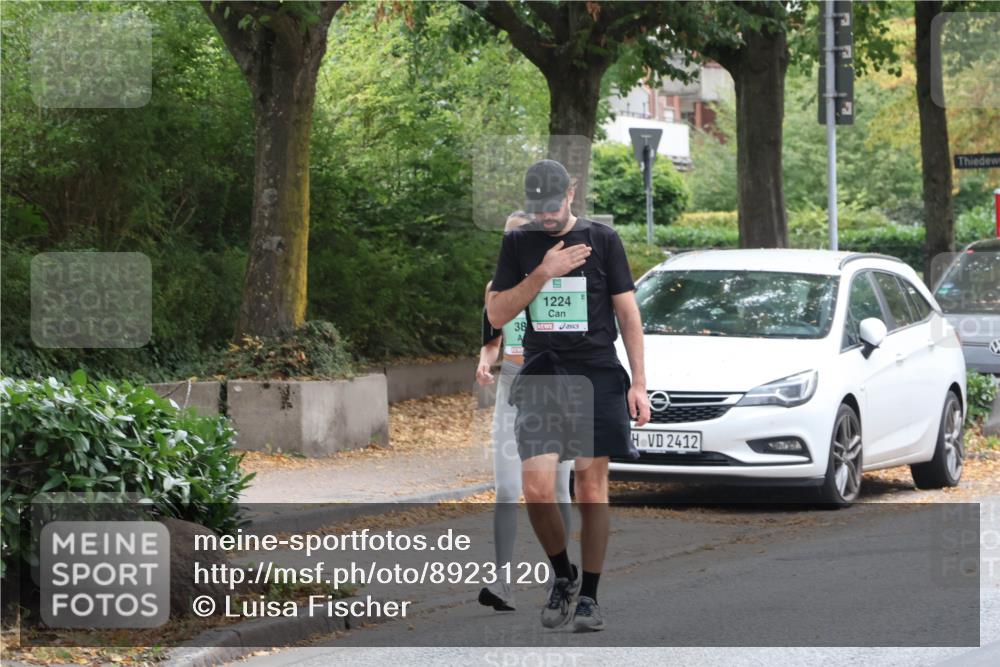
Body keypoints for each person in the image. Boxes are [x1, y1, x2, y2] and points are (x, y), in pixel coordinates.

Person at [486, 159, 651, 632]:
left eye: (554, 207)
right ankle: (564, 575)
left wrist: (638, 383)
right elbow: (496, 314)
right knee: (537, 490)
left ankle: (590, 599)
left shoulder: (602, 240)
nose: (547, 217)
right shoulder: (518, 244)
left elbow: (628, 315)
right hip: (540, 377)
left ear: (571, 192)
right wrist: (542, 273)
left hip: (595, 374)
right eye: (539, 210)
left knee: (591, 489)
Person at [476, 211, 574, 613]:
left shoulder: (558, 284)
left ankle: (561, 578)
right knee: (506, 488)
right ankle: (502, 583)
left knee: (556, 489)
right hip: (511, 384)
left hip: (553, 386)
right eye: (507, 238)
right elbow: (492, 337)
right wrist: (485, 360)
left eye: (519, 237)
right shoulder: (494, 288)